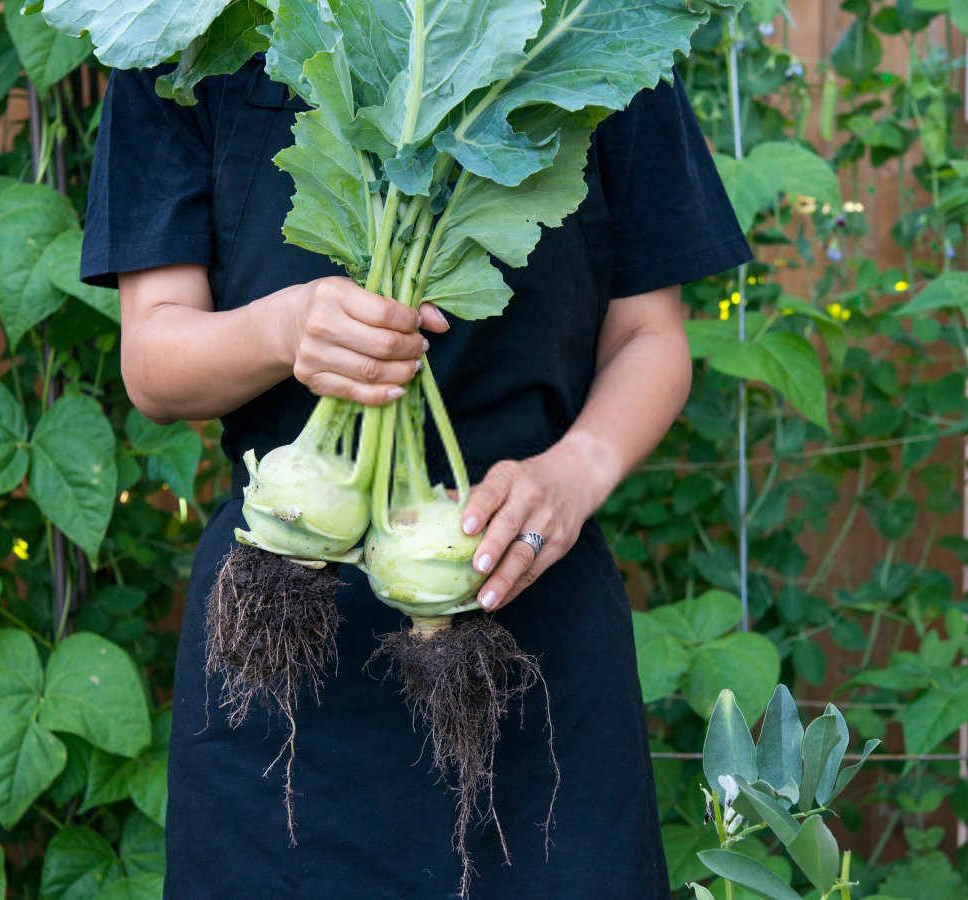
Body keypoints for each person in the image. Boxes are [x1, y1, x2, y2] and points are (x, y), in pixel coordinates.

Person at [80, 54, 751, 899]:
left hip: (524, 592)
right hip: (281, 624)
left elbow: (649, 336)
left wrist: (576, 473)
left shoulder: (588, 30)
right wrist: (286, 330)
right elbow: (154, 364)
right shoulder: (190, 37)